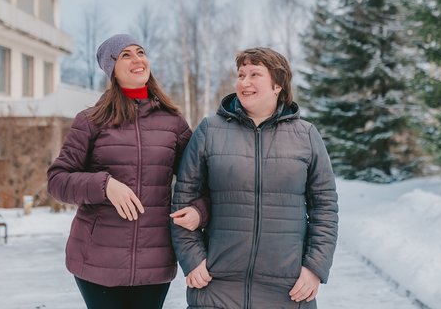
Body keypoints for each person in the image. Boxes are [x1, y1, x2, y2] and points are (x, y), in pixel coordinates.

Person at [171, 47, 339, 309]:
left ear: (277, 85)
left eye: (254, 74)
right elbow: (183, 202)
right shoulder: (209, 131)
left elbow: (325, 208)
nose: (244, 82)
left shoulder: (306, 136)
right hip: (216, 287)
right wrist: (193, 259)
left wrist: (314, 268)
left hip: (288, 291)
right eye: (241, 75)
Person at [48, 34, 206, 309]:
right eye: (126, 55)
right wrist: (105, 186)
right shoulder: (91, 120)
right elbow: (57, 180)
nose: (137, 59)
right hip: (96, 260)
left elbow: (202, 181)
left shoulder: (173, 122)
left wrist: (199, 211)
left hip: (154, 260)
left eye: (140, 52)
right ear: (111, 68)